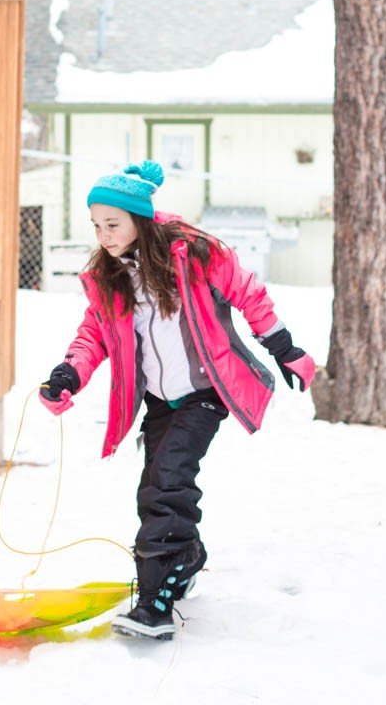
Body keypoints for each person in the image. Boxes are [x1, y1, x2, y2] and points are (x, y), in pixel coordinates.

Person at [39, 161, 316, 641]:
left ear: (138, 220)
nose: (104, 235)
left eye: (113, 224)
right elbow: (94, 335)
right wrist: (69, 373)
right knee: (157, 484)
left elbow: (249, 295)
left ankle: (154, 602)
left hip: (207, 393)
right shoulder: (111, 277)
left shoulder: (195, 255)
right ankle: (184, 556)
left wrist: (285, 349)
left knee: (168, 478)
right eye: (97, 225)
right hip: (159, 400)